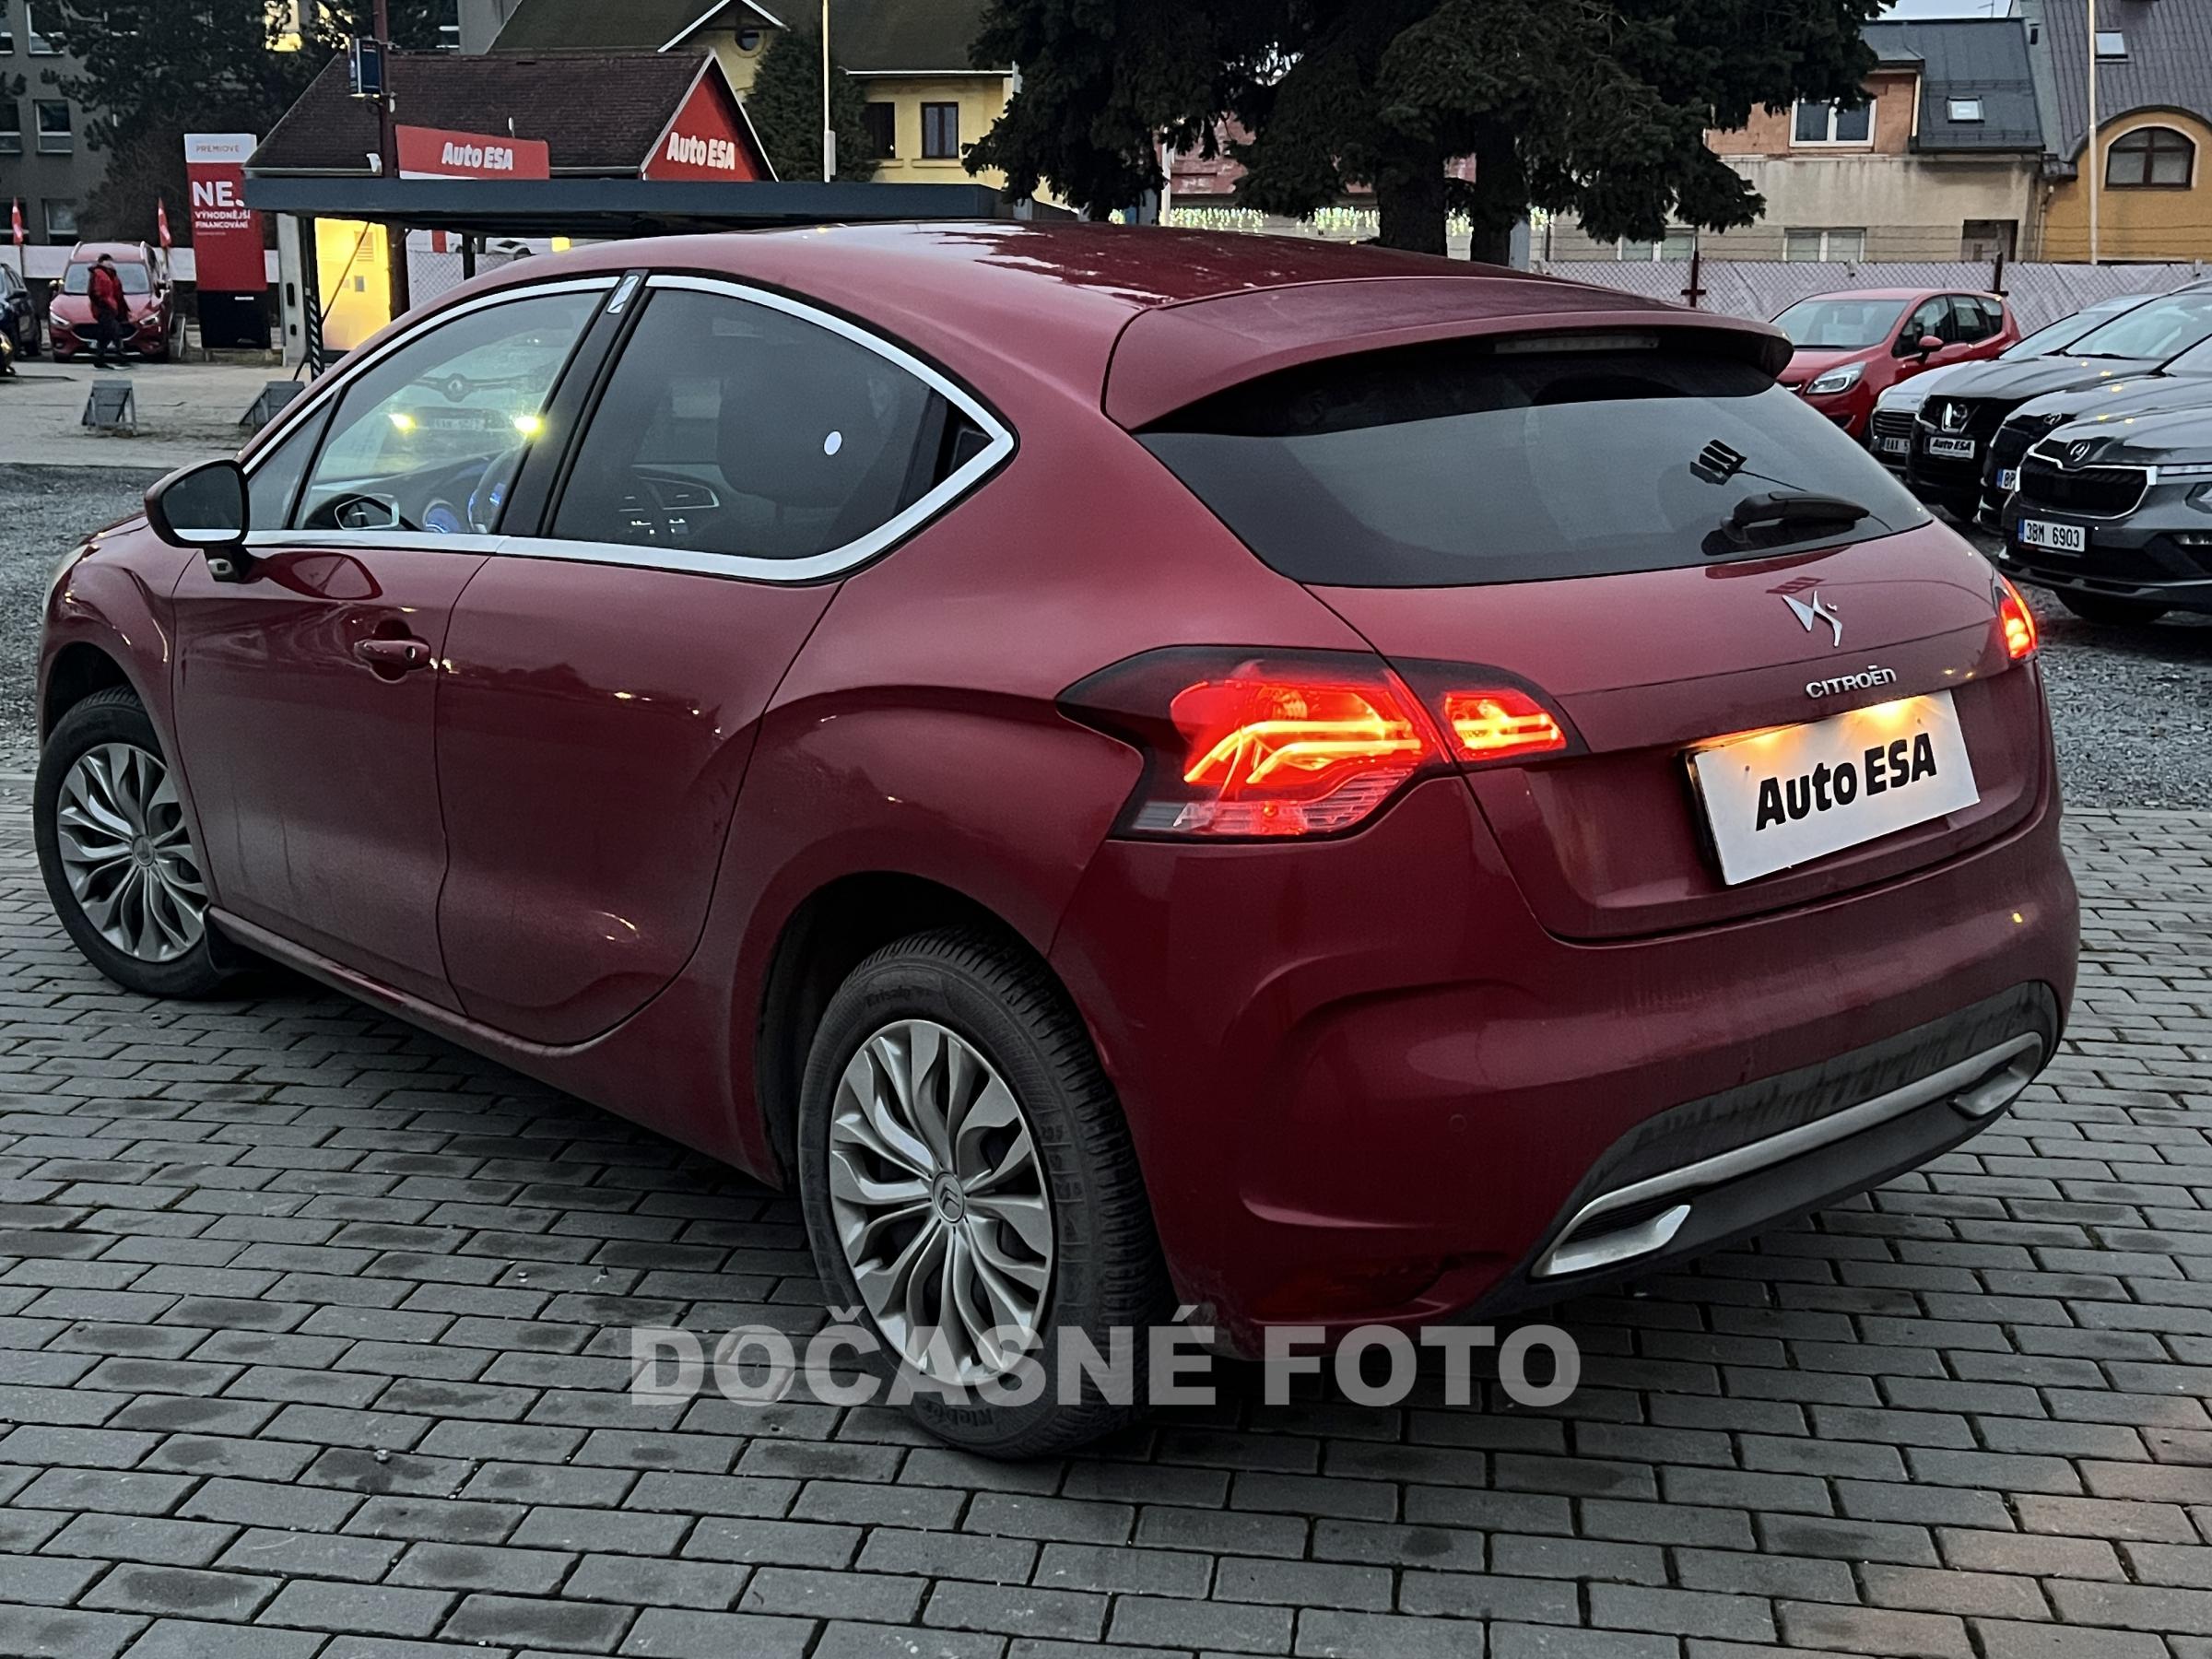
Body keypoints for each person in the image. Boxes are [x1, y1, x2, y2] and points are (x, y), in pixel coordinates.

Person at [88, 253, 128, 370]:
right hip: (105, 308)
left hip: (111, 307)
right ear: (102, 262)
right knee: (115, 331)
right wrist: (103, 304)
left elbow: (116, 292)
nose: (110, 263)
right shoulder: (100, 274)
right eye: (107, 261)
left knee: (105, 334)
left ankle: (100, 358)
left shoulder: (110, 274)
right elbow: (96, 292)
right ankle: (121, 355)